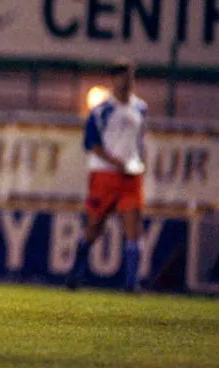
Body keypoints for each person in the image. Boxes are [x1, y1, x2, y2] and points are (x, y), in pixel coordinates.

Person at [66, 59, 147, 292]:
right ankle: (75, 273)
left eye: (129, 75)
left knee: (133, 228)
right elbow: (90, 143)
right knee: (95, 228)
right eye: (121, 76)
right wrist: (115, 162)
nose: (126, 81)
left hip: (131, 176)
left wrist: (138, 162)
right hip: (104, 175)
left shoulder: (140, 108)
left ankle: (131, 283)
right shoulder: (101, 111)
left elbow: (139, 140)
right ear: (113, 80)